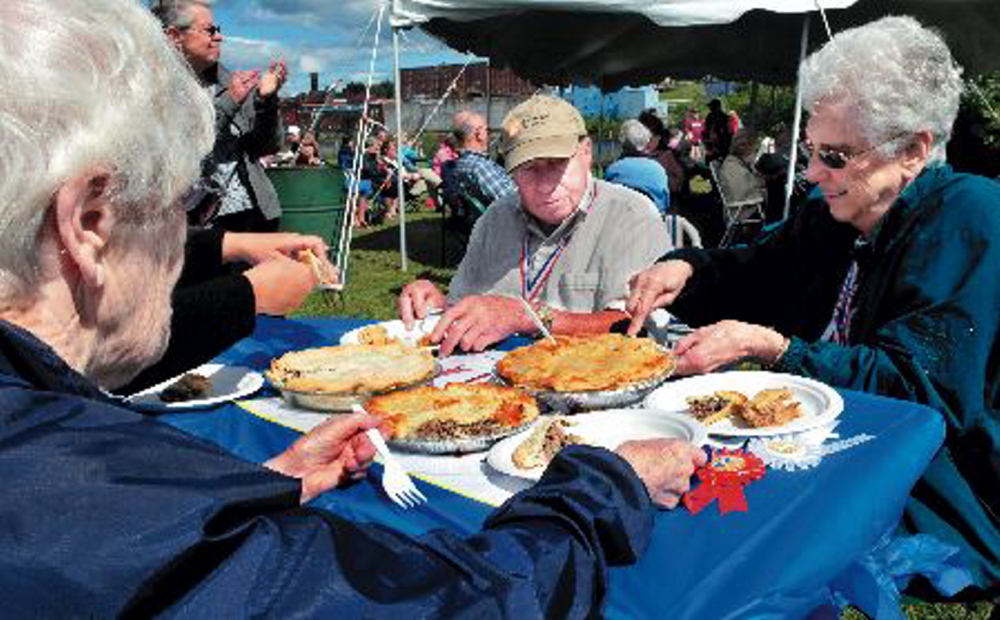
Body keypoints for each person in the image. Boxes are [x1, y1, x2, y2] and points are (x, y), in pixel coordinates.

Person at [0, 1, 709, 617]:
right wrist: (603, 491)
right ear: (88, 223)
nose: (189, 240)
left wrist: (262, 486)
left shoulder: (50, 465)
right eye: (183, 205)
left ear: (588, 152)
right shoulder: (71, 491)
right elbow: (461, 604)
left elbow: (640, 333)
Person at [626, 16, 1000, 597]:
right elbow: (754, 269)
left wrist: (773, 348)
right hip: (840, 441)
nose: (811, 172)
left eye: (835, 154)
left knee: (726, 537)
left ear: (912, 150)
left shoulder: (969, 219)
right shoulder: (834, 214)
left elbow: (920, 390)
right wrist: (687, 268)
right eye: (810, 151)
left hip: (943, 483)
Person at [399, 96, 673, 356]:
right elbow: (466, 306)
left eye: (556, 163)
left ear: (586, 152)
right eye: (528, 168)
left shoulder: (632, 215)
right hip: (497, 394)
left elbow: (637, 330)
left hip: (596, 383)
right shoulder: (494, 219)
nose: (544, 185)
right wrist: (438, 307)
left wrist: (527, 317)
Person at [155, 0, 286, 232]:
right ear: (174, 35)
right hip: (192, 227)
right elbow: (183, 145)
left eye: (218, 29)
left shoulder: (228, 82)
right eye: (210, 30)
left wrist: (267, 102)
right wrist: (230, 101)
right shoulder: (151, 88)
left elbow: (266, 147)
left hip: (255, 213)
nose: (219, 37)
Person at [447, 110, 518, 209]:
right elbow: (512, 201)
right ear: (478, 134)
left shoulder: (462, 163)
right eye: (487, 130)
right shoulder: (480, 166)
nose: (489, 135)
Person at [605, 119, 671, 217]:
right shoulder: (658, 169)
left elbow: (608, 202)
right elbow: (665, 203)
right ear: (646, 141)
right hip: (653, 224)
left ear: (622, 142)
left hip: (622, 223)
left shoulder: (613, 169)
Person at [703, 99, 733, 163]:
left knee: (713, 158)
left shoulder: (720, 116)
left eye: (711, 106)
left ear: (716, 106)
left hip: (720, 143)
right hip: (718, 143)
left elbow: (728, 130)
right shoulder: (712, 116)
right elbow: (707, 128)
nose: (710, 108)